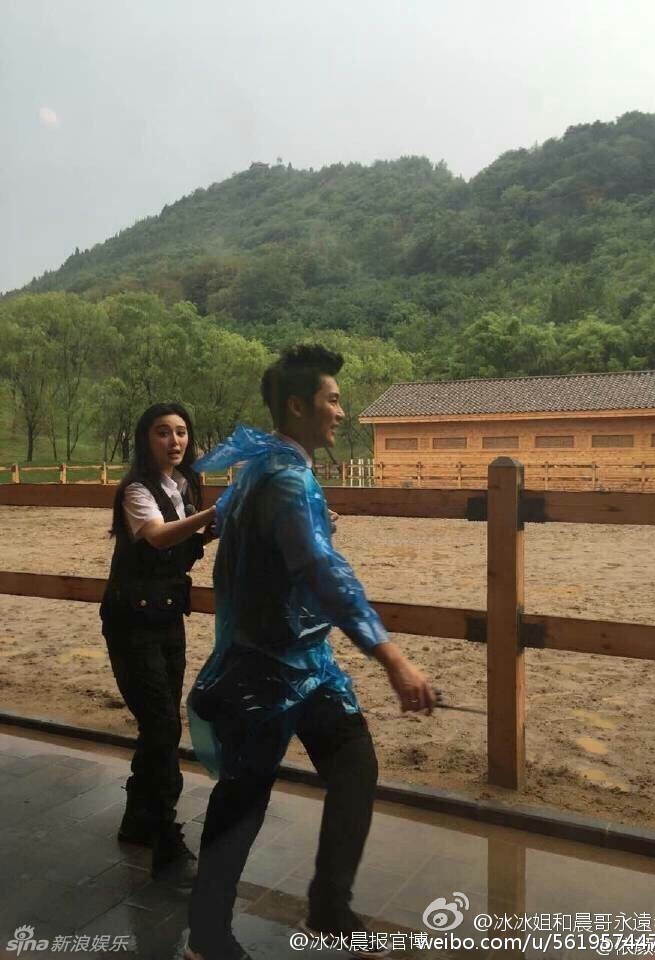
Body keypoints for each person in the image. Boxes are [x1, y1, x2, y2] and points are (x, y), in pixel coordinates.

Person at [185, 346, 435, 960]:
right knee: (242, 802)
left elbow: (256, 542)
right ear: (298, 406)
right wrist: (392, 657)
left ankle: (329, 909)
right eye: (333, 400)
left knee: (354, 767)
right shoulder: (286, 478)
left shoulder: (261, 468)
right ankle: (208, 938)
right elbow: (324, 574)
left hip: (308, 665)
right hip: (261, 668)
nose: (342, 413)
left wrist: (308, 530)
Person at [100, 402, 216, 886]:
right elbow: (160, 538)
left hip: (167, 617)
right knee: (164, 724)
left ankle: (137, 819)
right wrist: (214, 514)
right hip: (131, 622)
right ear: (145, 439)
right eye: (163, 432)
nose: (175, 441)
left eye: (181, 432)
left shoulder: (183, 486)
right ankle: (166, 837)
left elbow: (187, 541)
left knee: (160, 723)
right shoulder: (136, 491)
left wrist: (219, 527)